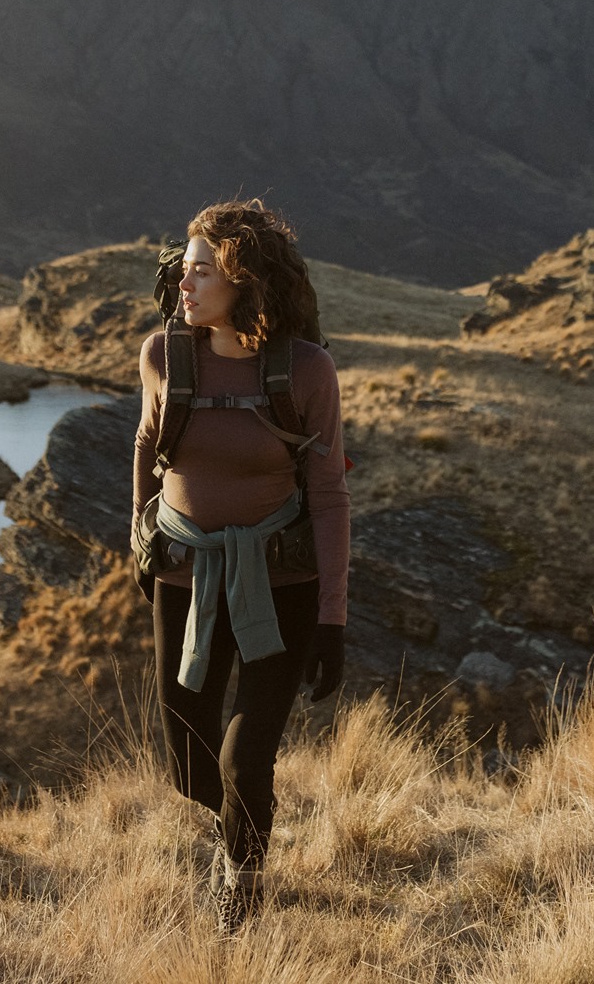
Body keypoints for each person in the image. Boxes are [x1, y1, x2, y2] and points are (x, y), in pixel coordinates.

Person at [131, 199, 350, 935]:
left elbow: (328, 494)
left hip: (280, 582)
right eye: (181, 269)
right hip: (184, 578)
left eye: (199, 271)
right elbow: (145, 444)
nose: (181, 284)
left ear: (244, 280)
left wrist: (332, 618)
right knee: (187, 757)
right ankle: (236, 827)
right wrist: (141, 536)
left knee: (243, 759)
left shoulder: (307, 371)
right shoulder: (165, 355)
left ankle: (242, 880)